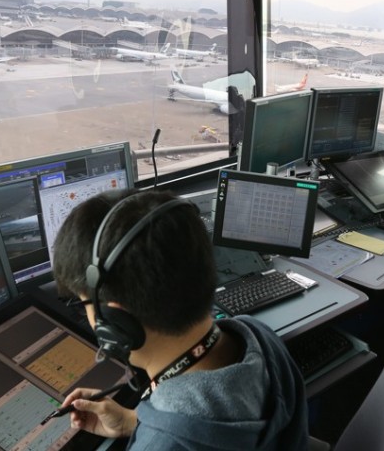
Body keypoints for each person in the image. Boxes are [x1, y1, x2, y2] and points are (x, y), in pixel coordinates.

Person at [52, 189, 309, 451]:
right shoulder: (257, 335)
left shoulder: (160, 446)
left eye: (84, 303)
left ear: (114, 318)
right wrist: (137, 422)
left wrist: (156, 435)